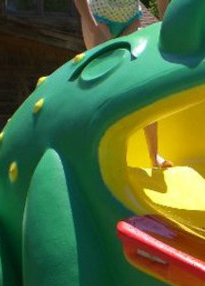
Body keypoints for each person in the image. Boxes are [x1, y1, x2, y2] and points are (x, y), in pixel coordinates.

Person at [72, 0, 172, 169]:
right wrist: (92, 26)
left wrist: (165, 26)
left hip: (130, 18)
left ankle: (154, 156)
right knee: (105, 82)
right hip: (98, 16)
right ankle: (98, 155)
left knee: (141, 81)